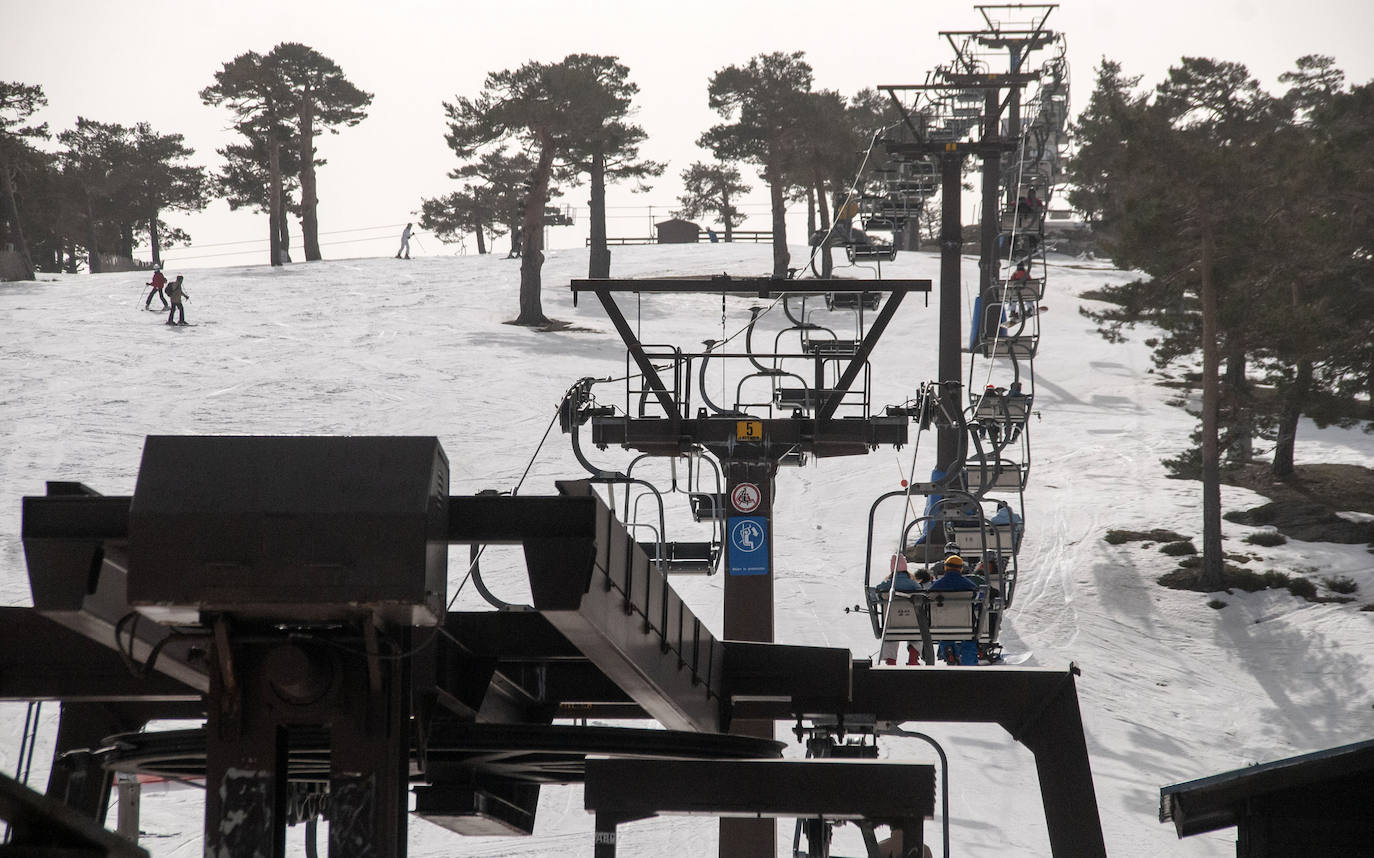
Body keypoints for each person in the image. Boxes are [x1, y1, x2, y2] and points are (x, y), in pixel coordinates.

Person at [929, 554, 980, 666]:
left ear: (946, 568)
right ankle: (968, 663)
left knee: (945, 636)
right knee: (969, 640)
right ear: (960, 568)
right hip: (966, 623)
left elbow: (930, 598)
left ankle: (949, 650)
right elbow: (977, 599)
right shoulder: (969, 585)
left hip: (943, 623)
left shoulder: (936, 585)